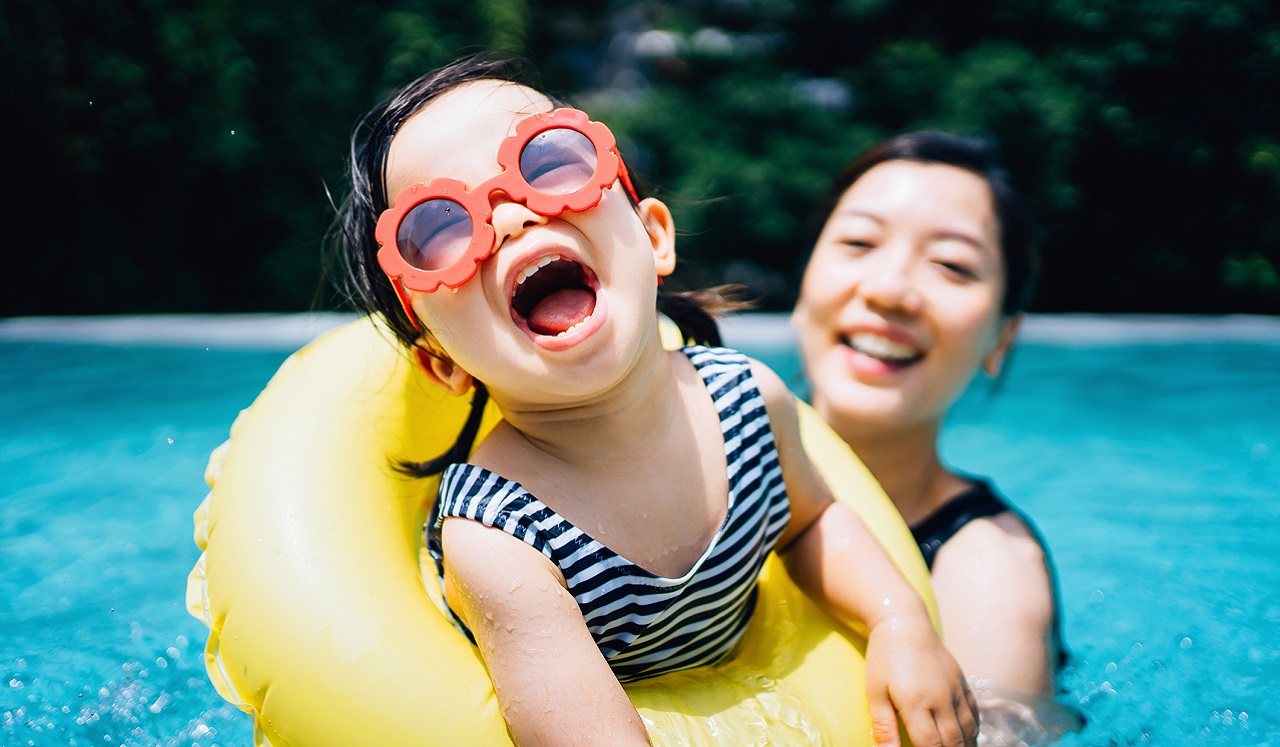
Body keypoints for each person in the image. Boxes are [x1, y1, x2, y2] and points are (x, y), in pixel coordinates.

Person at [328, 56, 977, 747]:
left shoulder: (748, 400)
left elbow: (813, 524)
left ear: (654, 236)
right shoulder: (498, 536)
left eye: (547, 162)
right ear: (441, 362)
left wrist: (897, 621)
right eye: (438, 228)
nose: (514, 216)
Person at [791, 132, 1080, 744]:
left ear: (1002, 338)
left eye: (952, 264)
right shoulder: (689, 448)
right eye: (858, 243)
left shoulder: (987, 570)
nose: (890, 290)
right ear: (806, 281)